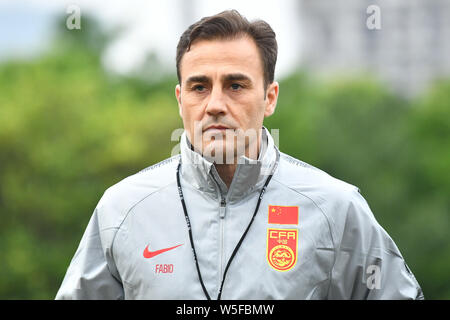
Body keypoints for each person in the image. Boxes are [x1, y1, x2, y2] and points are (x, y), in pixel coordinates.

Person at [56, 10, 424, 300]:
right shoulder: (122, 209)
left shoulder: (336, 208)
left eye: (236, 85)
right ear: (180, 99)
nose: (215, 104)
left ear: (270, 98)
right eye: (199, 86)